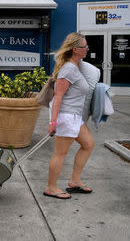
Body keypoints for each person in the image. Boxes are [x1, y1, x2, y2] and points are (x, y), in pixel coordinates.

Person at [44, 32, 94, 199]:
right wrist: (53, 121)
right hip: (66, 116)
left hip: (75, 117)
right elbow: (58, 96)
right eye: (84, 47)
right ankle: (51, 188)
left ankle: (75, 181)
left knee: (88, 144)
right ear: (75, 49)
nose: (87, 49)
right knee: (60, 153)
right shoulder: (68, 69)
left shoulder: (77, 66)